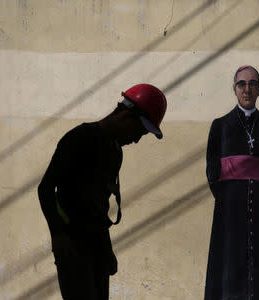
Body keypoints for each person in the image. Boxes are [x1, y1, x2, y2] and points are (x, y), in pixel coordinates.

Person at [37, 84, 167, 300]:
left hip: (96, 249)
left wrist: (107, 249)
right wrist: (58, 235)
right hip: (72, 246)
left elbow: (99, 208)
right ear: (126, 116)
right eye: (139, 132)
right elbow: (46, 189)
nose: (136, 140)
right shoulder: (79, 139)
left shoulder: (115, 153)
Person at [204, 66, 259, 300]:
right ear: (235, 89)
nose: (247, 89)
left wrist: (253, 184)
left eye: (252, 84)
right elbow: (212, 170)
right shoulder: (220, 125)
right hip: (229, 209)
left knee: (258, 266)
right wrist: (231, 195)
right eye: (241, 84)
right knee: (229, 263)